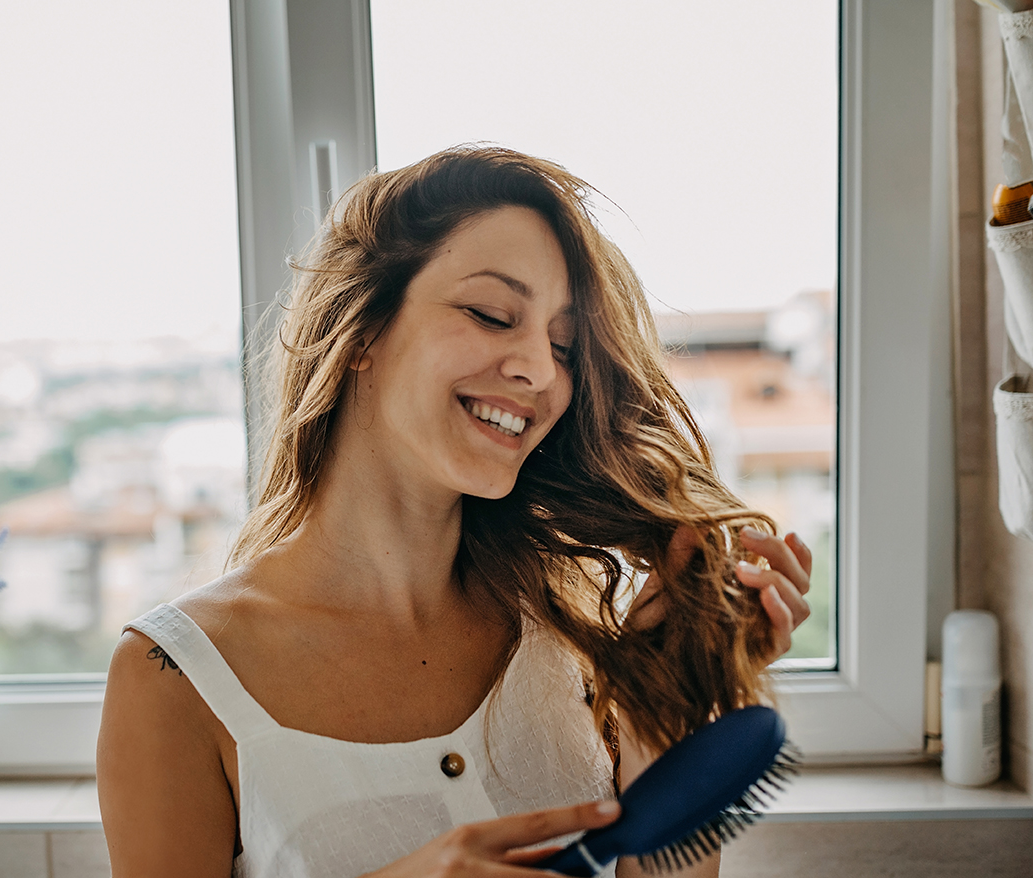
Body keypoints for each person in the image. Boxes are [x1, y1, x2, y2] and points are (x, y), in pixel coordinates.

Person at [97, 146, 812, 878]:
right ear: (362, 329)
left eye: (564, 346)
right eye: (491, 314)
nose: (538, 369)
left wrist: (671, 701)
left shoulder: (576, 640)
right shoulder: (177, 679)